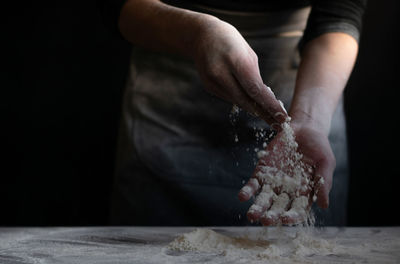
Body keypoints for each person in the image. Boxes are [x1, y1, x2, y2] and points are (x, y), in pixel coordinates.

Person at [102, 0, 366, 226]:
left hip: (311, 99)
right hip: (165, 128)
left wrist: (310, 120)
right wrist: (195, 33)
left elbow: (340, 14)